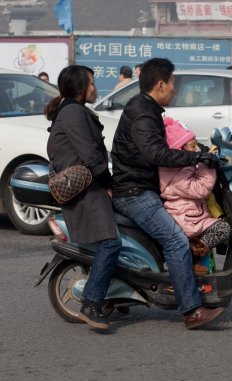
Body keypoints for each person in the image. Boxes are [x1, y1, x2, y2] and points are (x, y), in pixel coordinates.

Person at [111, 57, 224, 330]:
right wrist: (198, 160)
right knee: (175, 241)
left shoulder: (149, 110)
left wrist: (201, 150)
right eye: (173, 84)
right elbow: (155, 153)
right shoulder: (142, 113)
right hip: (134, 193)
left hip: (143, 188)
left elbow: (173, 142)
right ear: (160, 84)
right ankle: (191, 311)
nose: (175, 89)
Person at [45, 65, 121, 330]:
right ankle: (91, 303)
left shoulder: (69, 109)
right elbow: (89, 153)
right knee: (110, 242)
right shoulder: (73, 112)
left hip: (88, 186)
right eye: (91, 84)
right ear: (79, 86)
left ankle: (116, 295)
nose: (95, 88)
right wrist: (109, 184)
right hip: (86, 190)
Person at [159, 117, 232, 274]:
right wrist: (208, 166)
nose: (196, 149)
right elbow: (201, 189)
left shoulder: (184, 165)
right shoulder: (174, 174)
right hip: (185, 219)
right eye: (193, 146)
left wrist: (207, 154)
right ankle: (192, 256)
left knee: (224, 223)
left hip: (194, 215)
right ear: (180, 150)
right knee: (223, 229)